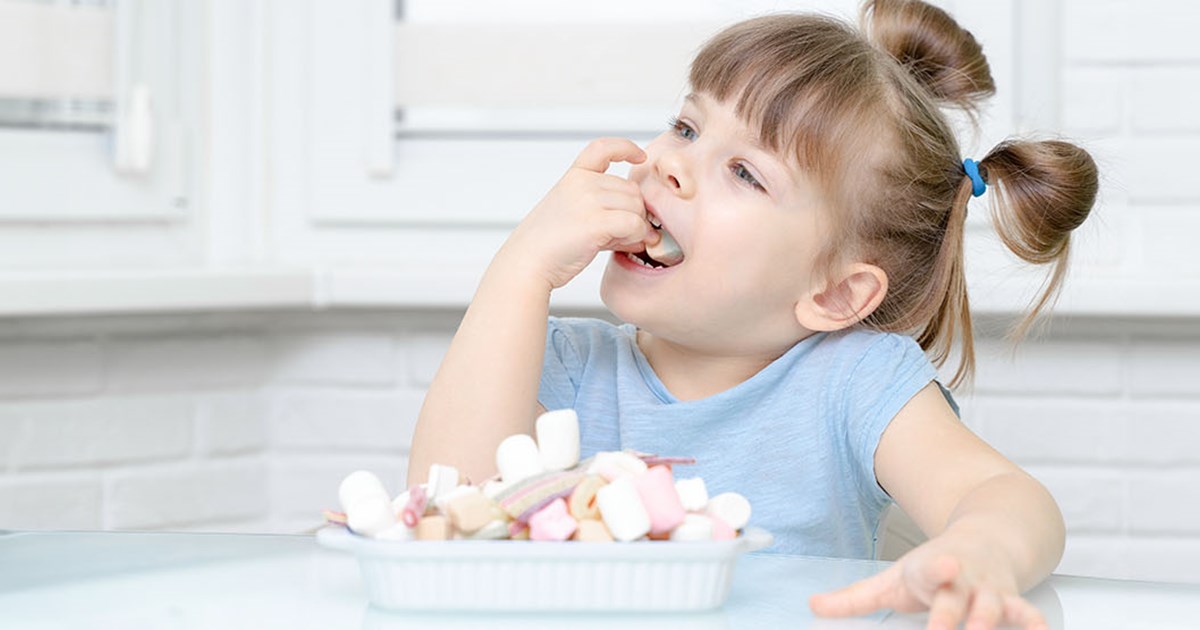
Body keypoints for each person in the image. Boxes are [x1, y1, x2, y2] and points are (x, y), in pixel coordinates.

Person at [408, 0, 1097, 628]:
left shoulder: (852, 383)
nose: (670, 164)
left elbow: (1004, 495)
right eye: (686, 126)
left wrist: (980, 552)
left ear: (835, 294)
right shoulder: (560, 363)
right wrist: (521, 267)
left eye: (745, 172)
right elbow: (444, 511)